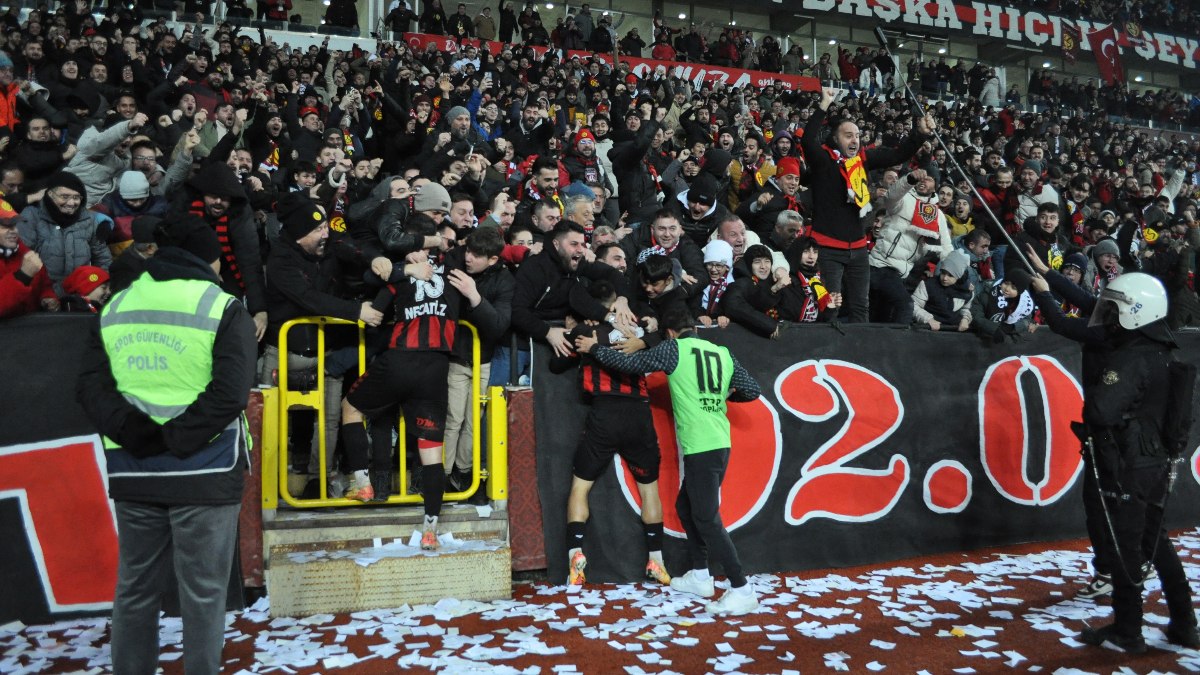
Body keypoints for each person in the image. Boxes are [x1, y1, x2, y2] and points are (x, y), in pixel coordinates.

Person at [75, 217, 257, 675]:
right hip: (205, 468)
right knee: (203, 592)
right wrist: (178, 438)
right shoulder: (221, 305)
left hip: (135, 468)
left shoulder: (117, 304)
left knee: (135, 589)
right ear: (209, 260)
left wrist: (139, 433)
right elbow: (232, 392)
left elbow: (91, 386)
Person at [1038, 272, 1199, 654]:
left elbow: (1101, 409)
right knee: (1154, 540)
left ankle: (1128, 629)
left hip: (1129, 463)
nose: (1108, 315)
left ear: (1135, 312)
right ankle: (1184, 621)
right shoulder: (1160, 347)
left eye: (1115, 308)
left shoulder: (1130, 356)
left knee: (1128, 546)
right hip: (1153, 460)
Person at [577, 305, 762, 616]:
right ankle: (701, 575)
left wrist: (594, 347)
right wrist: (721, 395)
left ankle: (741, 587)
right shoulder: (722, 352)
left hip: (702, 444)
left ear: (671, 332)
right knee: (686, 507)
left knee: (705, 517)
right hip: (717, 440)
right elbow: (752, 389)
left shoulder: (674, 348)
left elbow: (629, 363)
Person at [551, 280, 670, 587]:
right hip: (639, 415)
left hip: (604, 413)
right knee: (650, 491)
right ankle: (656, 560)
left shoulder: (586, 333)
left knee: (580, 488)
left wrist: (573, 328)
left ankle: (575, 556)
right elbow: (663, 338)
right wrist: (646, 333)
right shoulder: (642, 332)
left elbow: (555, 363)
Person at [802, 87, 934, 322]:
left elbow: (897, 156)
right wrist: (824, 104)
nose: (855, 140)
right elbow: (807, 139)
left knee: (861, 309)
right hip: (828, 248)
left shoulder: (863, 160)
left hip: (858, 249)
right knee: (830, 308)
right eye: (848, 135)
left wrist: (919, 134)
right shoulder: (823, 161)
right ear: (834, 138)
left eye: (857, 135)